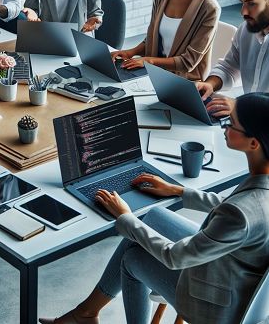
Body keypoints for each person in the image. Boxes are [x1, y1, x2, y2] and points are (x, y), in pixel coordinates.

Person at [40, 92, 269, 324]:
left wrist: (126, 218)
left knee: (132, 259)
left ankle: (85, 314)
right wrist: (178, 190)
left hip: (217, 308)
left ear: (253, 142)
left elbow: (174, 257)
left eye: (230, 123)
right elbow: (234, 209)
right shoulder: (260, 187)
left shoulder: (240, 214)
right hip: (234, 270)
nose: (224, 127)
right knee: (153, 216)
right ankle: (86, 314)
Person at [197, 0, 269, 118]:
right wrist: (210, 84)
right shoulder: (245, 30)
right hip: (250, 124)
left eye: (251, 4)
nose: (243, 12)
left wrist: (240, 106)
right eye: (242, 3)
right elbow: (229, 67)